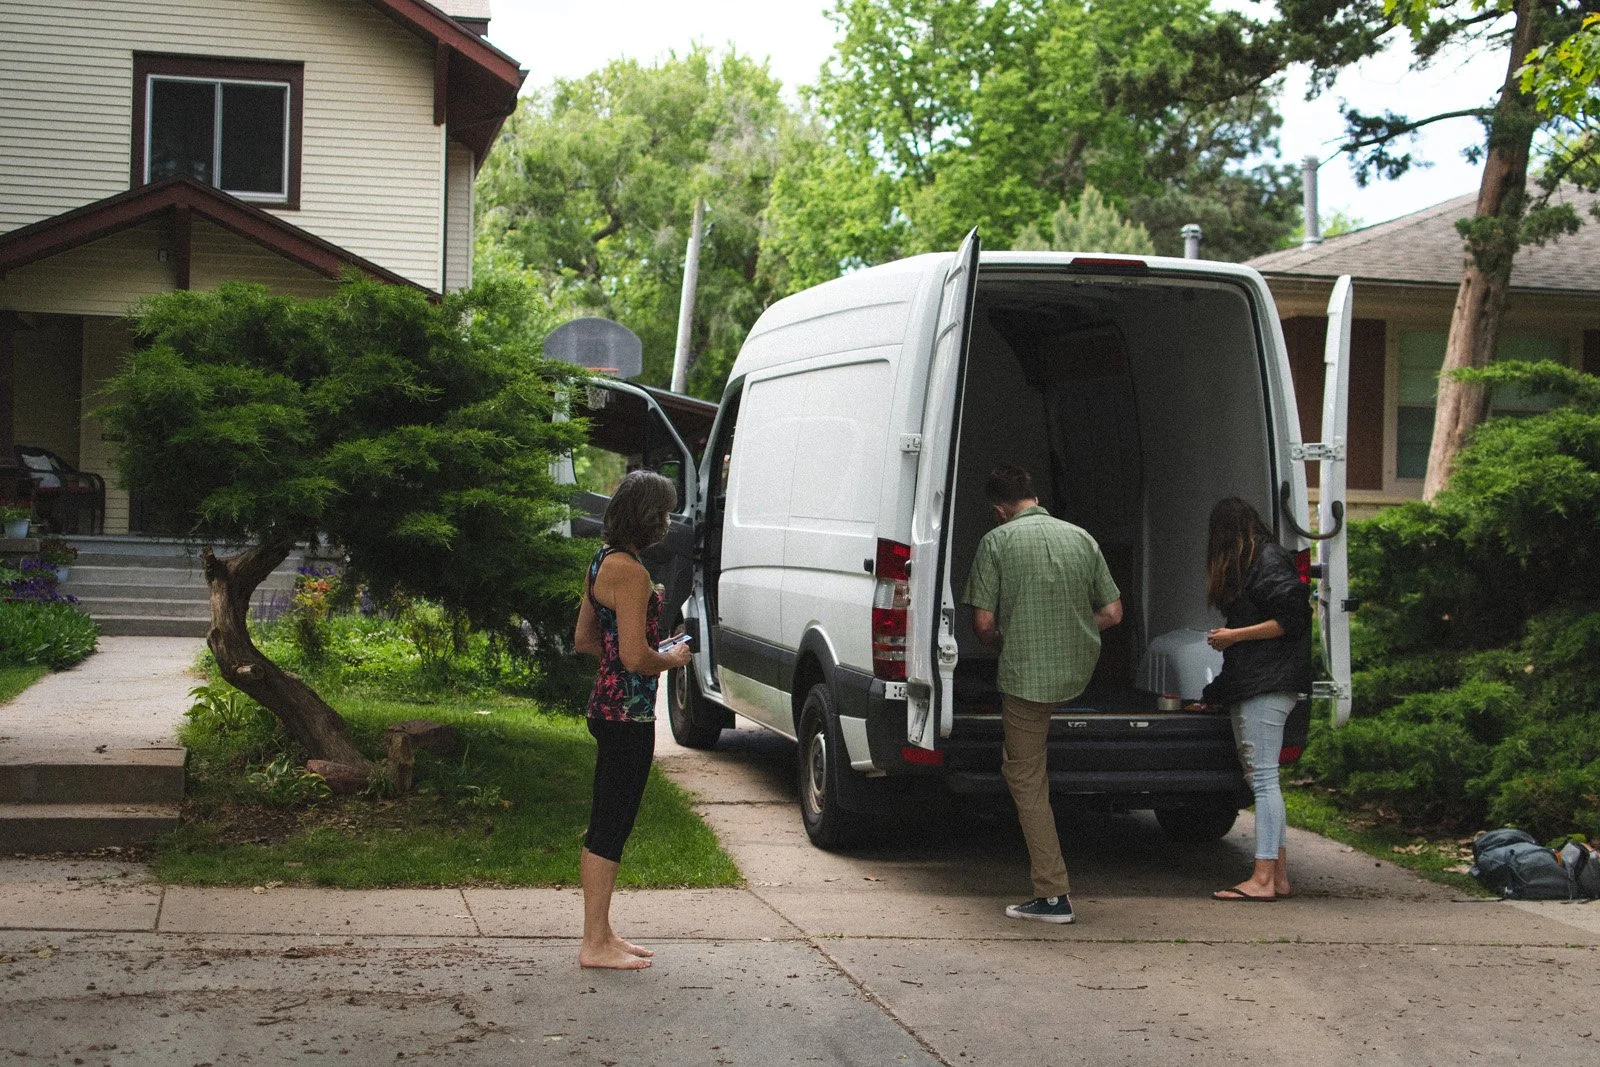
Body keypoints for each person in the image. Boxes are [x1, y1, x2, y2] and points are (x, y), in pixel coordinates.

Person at [963, 466, 1122, 924]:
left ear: (999, 511)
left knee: (1026, 776)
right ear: (1033, 496)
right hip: (1078, 675)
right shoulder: (1082, 538)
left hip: (1026, 680)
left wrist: (1006, 643)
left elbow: (983, 625)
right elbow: (1113, 612)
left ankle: (1053, 895)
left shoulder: (996, 542)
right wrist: (1073, 632)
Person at [572, 470, 693, 968]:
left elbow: (585, 639)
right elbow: (635, 658)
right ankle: (594, 944)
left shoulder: (603, 560)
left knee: (606, 820)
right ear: (647, 517)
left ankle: (601, 932)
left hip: (605, 708)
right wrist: (672, 657)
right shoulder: (633, 573)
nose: (667, 522)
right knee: (611, 825)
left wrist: (640, 650)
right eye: (663, 513)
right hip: (628, 714)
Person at [1201, 497, 1312, 902]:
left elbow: (1293, 618)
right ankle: (1277, 877)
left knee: (1264, 780)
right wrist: (1215, 694)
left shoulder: (1267, 560)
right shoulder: (1259, 563)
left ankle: (1263, 879)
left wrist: (1234, 636)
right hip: (1263, 681)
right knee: (1263, 779)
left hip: (1268, 685)